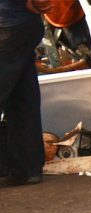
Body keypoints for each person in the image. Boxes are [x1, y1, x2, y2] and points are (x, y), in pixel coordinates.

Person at [0, 0, 50, 185]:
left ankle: (26, 168)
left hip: (7, 25)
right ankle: (27, 168)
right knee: (22, 95)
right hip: (23, 24)